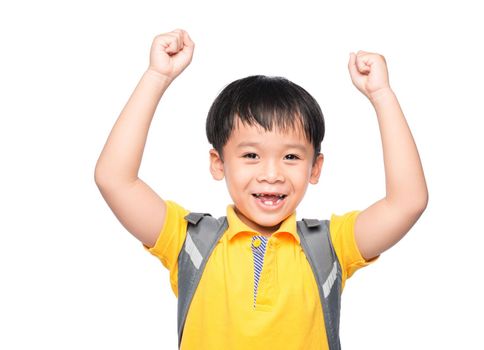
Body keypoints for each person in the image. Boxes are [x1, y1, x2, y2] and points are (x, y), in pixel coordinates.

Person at [94, 28, 428, 349]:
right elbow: (114, 178)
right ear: (218, 163)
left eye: (291, 156)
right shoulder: (190, 242)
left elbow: (407, 202)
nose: (271, 173)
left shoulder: (330, 247)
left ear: (316, 168)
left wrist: (382, 96)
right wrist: (156, 77)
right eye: (251, 155)